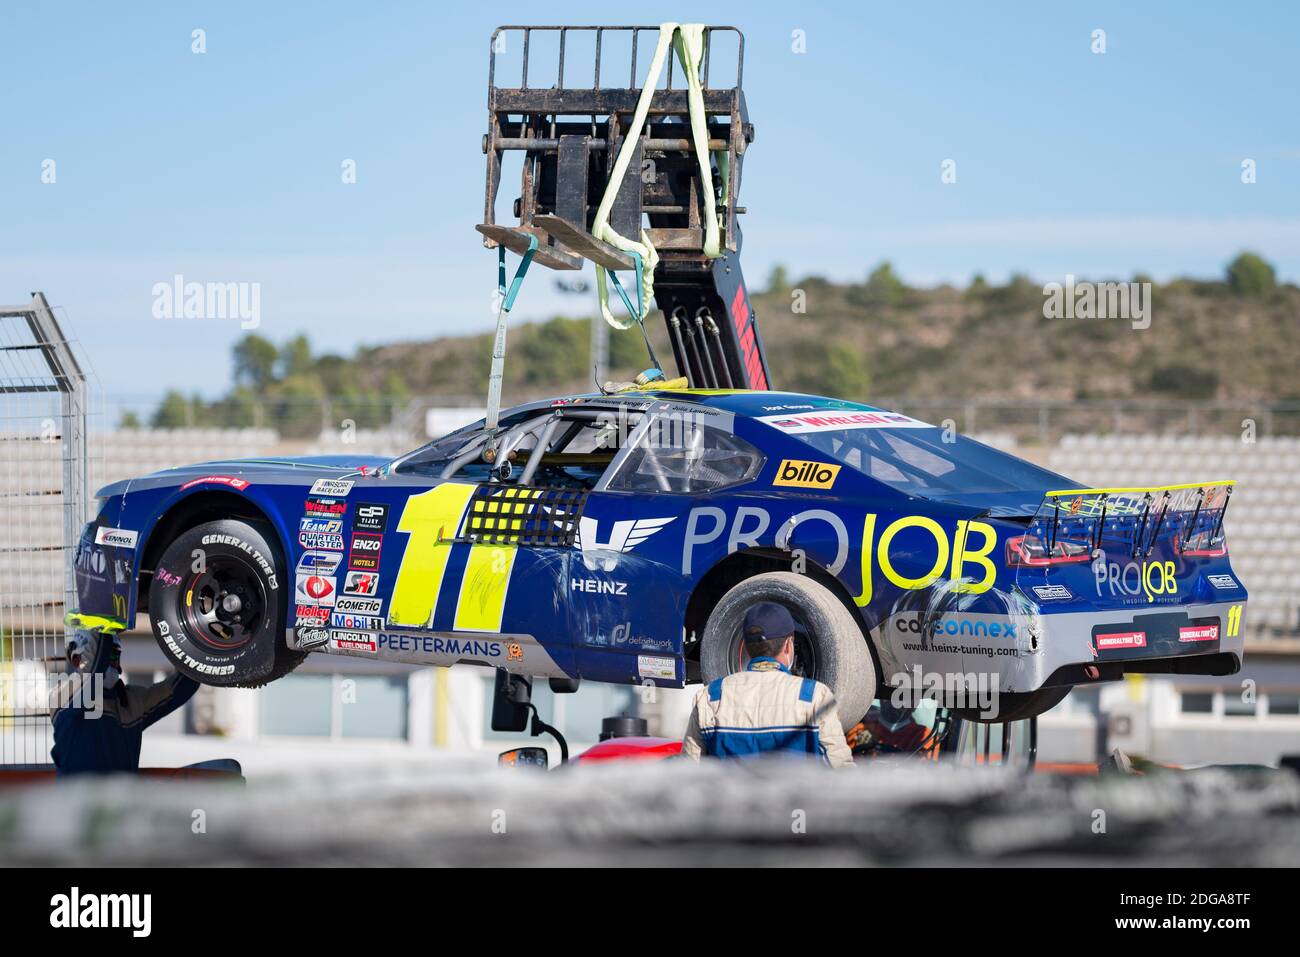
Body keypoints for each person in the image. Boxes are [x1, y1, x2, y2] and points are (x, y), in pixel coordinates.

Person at [682, 602, 853, 767]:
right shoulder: (814, 696)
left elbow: (690, 771)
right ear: (788, 644)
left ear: (746, 647)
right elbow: (840, 770)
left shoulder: (710, 697)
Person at [50, 630, 200, 775]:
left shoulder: (131, 701)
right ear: (76, 660)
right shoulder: (61, 695)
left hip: (121, 799)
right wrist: (104, 626)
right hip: (76, 799)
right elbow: (94, 672)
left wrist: (198, 640)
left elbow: (184, 686)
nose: (110, 662)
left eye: (114, 655)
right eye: (105, 655)